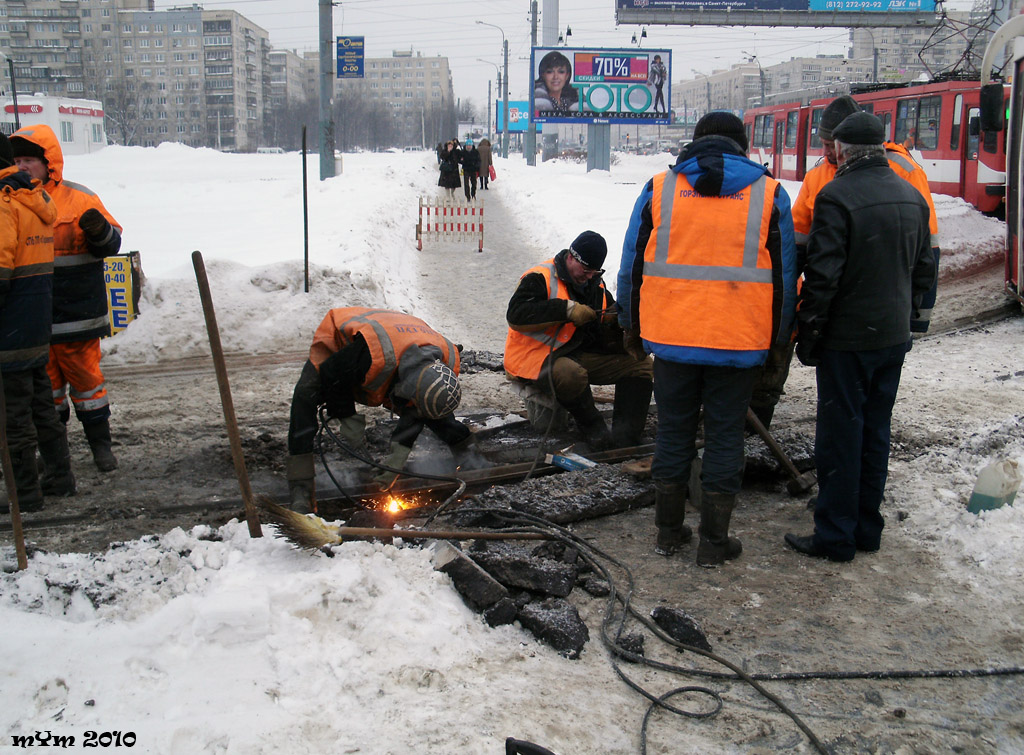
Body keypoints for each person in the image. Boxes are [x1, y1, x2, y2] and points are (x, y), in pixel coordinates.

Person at [618, 112, 797, 566]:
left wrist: (631, 326)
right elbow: (784, 278)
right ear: (743, 145)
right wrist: (778, 340)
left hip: (672, 338)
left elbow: (631, 265)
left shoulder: (660, 189)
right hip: (738, 342)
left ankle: (667, 533)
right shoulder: (769, 193)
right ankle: (714, 543)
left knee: (673, 432)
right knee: (724, 438)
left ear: (695, 142)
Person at [785, 112, 936, 563]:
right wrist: (908, 319)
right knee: (875, 431)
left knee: (840, 436)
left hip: (848, 340)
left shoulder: (837, 195)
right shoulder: (912, 195)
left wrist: (809, 330)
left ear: (842, 150)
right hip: (891, 338)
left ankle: (835, 536)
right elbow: (925, 268)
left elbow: (824, 275)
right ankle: (868, 528)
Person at [10, 124, 123, 474]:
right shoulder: (10, 200)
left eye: (29, 160)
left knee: (88, 386)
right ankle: (55, 459)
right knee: (46, 394)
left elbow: (111, 244)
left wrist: (98, 232)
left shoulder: (80, 198)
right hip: (34, 317)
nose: (22, 166)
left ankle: (101, 448)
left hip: (78, 315)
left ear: (49, 163)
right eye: (17, 160)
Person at [287, 307, 468, 512]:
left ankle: (471, 457)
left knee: (434, 406)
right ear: (406, 387)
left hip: (401, 337)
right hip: (348, 343)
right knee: (305, 395)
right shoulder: (372, 354)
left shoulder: (444, 363)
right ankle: (301, 489)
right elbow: (332, 373)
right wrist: (347, 416)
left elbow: (416, 411)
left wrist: (397, 459)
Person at [504, 231, 653, 451]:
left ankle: (626, 436)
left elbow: (601, 328)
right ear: (571, 257)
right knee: (570, 374)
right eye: (585, 270)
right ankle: (594, 429)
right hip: (535, 358)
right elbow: (516, 315)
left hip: (575, 354)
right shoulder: (540, 277)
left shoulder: (595, 285)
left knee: (641, 365)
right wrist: (566, 310)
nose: (589, 276)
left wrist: (613, 322)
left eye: (595, 272)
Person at [0, 133, 76, 512]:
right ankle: (60, 476)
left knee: (13, 413)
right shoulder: (34, 198)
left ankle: (24, 492)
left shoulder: (4, 202)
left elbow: (0, 269)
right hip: (33, 321)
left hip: (8, 324)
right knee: (41, 403)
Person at [533, 51, 579, 117]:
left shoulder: (575, 99)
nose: (555, 77)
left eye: (561, 72)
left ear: (567, 76)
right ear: (543, 75)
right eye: (550, 72)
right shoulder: (537, 100)